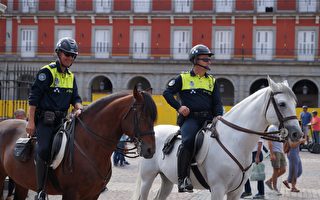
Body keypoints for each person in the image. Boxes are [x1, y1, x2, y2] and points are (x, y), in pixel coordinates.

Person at [26, 37, 83, 200]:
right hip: (45, 121)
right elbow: (34, 98)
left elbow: (76, 98)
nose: (70, 58)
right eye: (67, 54)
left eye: (73, 55)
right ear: (59, 53)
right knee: (43, 150)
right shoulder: (47, 71)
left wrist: (79, 108)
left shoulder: (71, 76)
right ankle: (41, 191)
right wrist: (31, 121)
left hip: (62, 121)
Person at [163, 44, 223, 193]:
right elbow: (167, 93)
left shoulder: (212, 81)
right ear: (196, 60)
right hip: (191, 120)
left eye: (210, 59)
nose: (209, 62)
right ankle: (183, 179)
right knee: (188, 141)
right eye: (206, 59)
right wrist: (179, 107)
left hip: (209, 119)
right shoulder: (183, 78)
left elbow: (217, 102)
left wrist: (219, 115)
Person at [264, 125, 287, 195]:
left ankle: (269, 181)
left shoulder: (280, 128)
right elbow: (269, 141)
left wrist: (283, 150)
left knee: (283, 170)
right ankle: (275, 188)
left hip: (280, 151)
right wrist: (271, 153)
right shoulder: (272, 127)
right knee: (276, 170)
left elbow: (282, 140)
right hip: (275, 151)